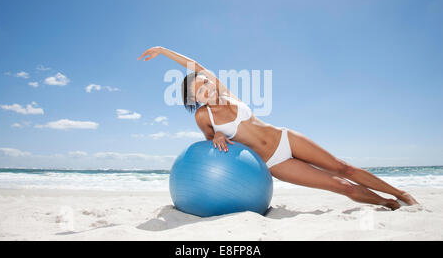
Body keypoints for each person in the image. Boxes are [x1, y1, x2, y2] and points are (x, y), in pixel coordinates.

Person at [138, 46, 418, 210]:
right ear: (194, 99)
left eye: (205, 83)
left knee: (343, 167)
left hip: (285, 138)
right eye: (199, 90)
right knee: (340, 185)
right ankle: (386, 203)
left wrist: (162, 51)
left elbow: (194, 64)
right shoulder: (203, 116)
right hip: (272, 162)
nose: (206, 89)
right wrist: (219, 134)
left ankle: (399, 193)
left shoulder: (226, 92)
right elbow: (211, 140)